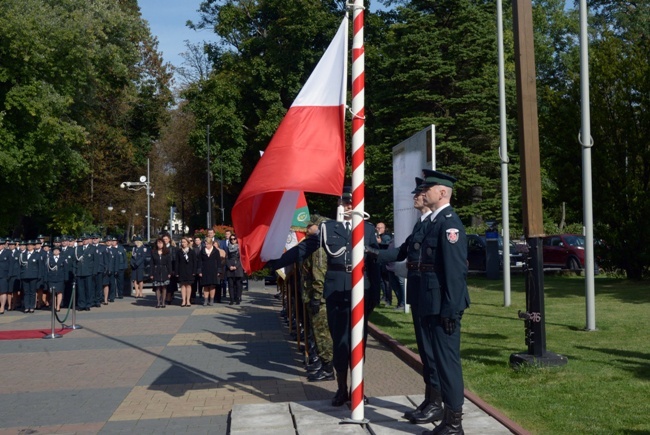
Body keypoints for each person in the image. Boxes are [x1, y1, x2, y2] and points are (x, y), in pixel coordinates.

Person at [268, 188, 381, 406]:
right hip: (336, 291)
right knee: (340, 343)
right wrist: (274, 262)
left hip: (360, 291)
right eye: (345, 203)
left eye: (352, 203)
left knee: (359, 343)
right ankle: (341, 389)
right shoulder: (328, 229)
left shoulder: (366, 229)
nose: (349, 207)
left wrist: (375, 294)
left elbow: (374, 265)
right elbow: (304, 249)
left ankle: (358, 390)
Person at [367, 177, 444, 424]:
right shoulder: (421, 225)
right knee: (425, 351)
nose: (415, 196)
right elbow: (400, 252)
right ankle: (430, 399)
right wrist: (372, 253)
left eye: (420, 192)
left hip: (433, 297)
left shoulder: (439, 223)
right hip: (420, 296)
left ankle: (437, 402)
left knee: (433, 354)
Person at [418, 169, 470, 435]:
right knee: (439, 361)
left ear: (442, 192)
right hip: (434, 303)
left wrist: (450, 310)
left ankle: (454, 423)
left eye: (428, 188)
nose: (422, 193)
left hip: (444, 306)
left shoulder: (449, 223)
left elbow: (455, 271)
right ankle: (448, 419)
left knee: (448, 364)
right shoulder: (435, 221)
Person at [301, 219, 335, 382]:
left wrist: (316, 298)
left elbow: (318, 276)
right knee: (318, 334)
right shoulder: (317, 246)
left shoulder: (320, 249)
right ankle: (323, 364)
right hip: (315, 297)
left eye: (312, 225)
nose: (308, 228)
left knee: (322, 335)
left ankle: (328, 369)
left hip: (319, 300)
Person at [197, 237, 225, 306]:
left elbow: (219, 262)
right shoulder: (202, 251)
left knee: (212, 286)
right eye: (205, 244)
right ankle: (206, 300)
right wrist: (199, 271)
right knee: (206, 286)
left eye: (208, 244)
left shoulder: (216, 251)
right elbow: (200, 261)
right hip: (205, 270)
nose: (206, 245)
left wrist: (219, 271)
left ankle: (211, 300)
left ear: (211, 244)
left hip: (213, 270)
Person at [20, 240, 42, 313]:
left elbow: (40, 266)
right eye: (28, 245)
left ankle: (32, 306)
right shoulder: (23, 254)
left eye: (31, 245)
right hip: (25, 275)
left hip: (33, 276)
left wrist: (39, 276)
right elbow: (21, 266)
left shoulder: (37, 254)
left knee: (32, 292)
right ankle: (27, 307)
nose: (29, 246)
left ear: (33, 246)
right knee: (26, 292)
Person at [150, 237, 172, 308]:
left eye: (161, 243)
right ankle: (158, 302)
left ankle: (163, 302)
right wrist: (151, 273)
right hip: (156, 270)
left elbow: (169, 263)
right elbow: (152, 264)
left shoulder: (167, 252)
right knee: (157, 287)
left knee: (164, 287)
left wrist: (169, 272)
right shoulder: (153, 252)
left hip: (164, 270)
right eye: (158, 243)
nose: (159, 244)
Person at [74, 235, 94, 311]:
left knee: (88, 289)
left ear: (88, 240)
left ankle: (88, 304)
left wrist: (94, 271)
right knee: (80, 289)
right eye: (83, 239)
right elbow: (75, 261)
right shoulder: (78, 249)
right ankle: (81, 304)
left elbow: (95, 261)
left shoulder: (92, 248)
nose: (84, 241)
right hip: (80, 271)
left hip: (88, 272)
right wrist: (75, 270)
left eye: (86, 239)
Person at [175, 237, 197, 307]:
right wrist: (177, 272)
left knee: (188, 285)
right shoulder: (179, 252)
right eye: (182, 242)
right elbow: (177, 263)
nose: (183, 243)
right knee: (183, 285)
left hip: (190, 271)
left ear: (187, 243)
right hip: (181, 270)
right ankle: (183, 300)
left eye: (184, 242)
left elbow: (194, 262)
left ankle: (188, 300)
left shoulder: (192, 251)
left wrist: (194, 271)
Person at [224, 233, 244, 305]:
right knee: (230, 285)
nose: (233, 240)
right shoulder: (227, 248)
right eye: (231, 239)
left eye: (234, 239)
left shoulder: (240, 248)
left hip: (238, 268)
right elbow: (226, 258)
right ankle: (231, 299)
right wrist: (229, 266)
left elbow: (241, 258)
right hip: (230, 268)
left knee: (238, 284)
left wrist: (236, 266)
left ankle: (238, 298)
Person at [46, 245, 67, 312]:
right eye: (54, 250)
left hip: (60, 278)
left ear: (59, 252)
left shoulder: (63, 258)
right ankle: (54, 306)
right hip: (51, 278)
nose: (56, 251)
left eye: (57, 250)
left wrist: (66, 278)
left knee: (59, 292)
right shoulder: (49, 259)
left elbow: (65, 269)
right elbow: (47, 269)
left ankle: (58, 306)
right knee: (52, 293)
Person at [0, 238, 11, 314]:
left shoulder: (8, 252)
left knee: (3, 291)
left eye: (1, 244)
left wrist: (9, 274)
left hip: (4, 274)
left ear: (4, 245)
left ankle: (2, 306)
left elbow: (11, 264)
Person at [191, 236, 203, 303]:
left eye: (198, 240)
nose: (197, 241)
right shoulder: (193, 248)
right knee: (194, 282)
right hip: (195, 267)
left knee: (201, 282)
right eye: (196, 240)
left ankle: (201, 293)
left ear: (200, 241)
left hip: (201, 267)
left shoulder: (203, 247)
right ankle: (194, 295)